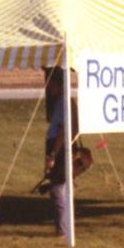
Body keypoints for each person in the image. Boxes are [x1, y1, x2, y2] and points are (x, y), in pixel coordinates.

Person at [43, 73, 78, 237]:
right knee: (61, 187)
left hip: (60, 147)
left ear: (59, 85)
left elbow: (64, 131)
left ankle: (62, 227)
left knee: (58, 188)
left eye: (51, 85)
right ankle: (64, 225)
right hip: (58, 145)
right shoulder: (61, 102)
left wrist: (52, 154)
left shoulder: (65, 103)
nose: (48, 89)